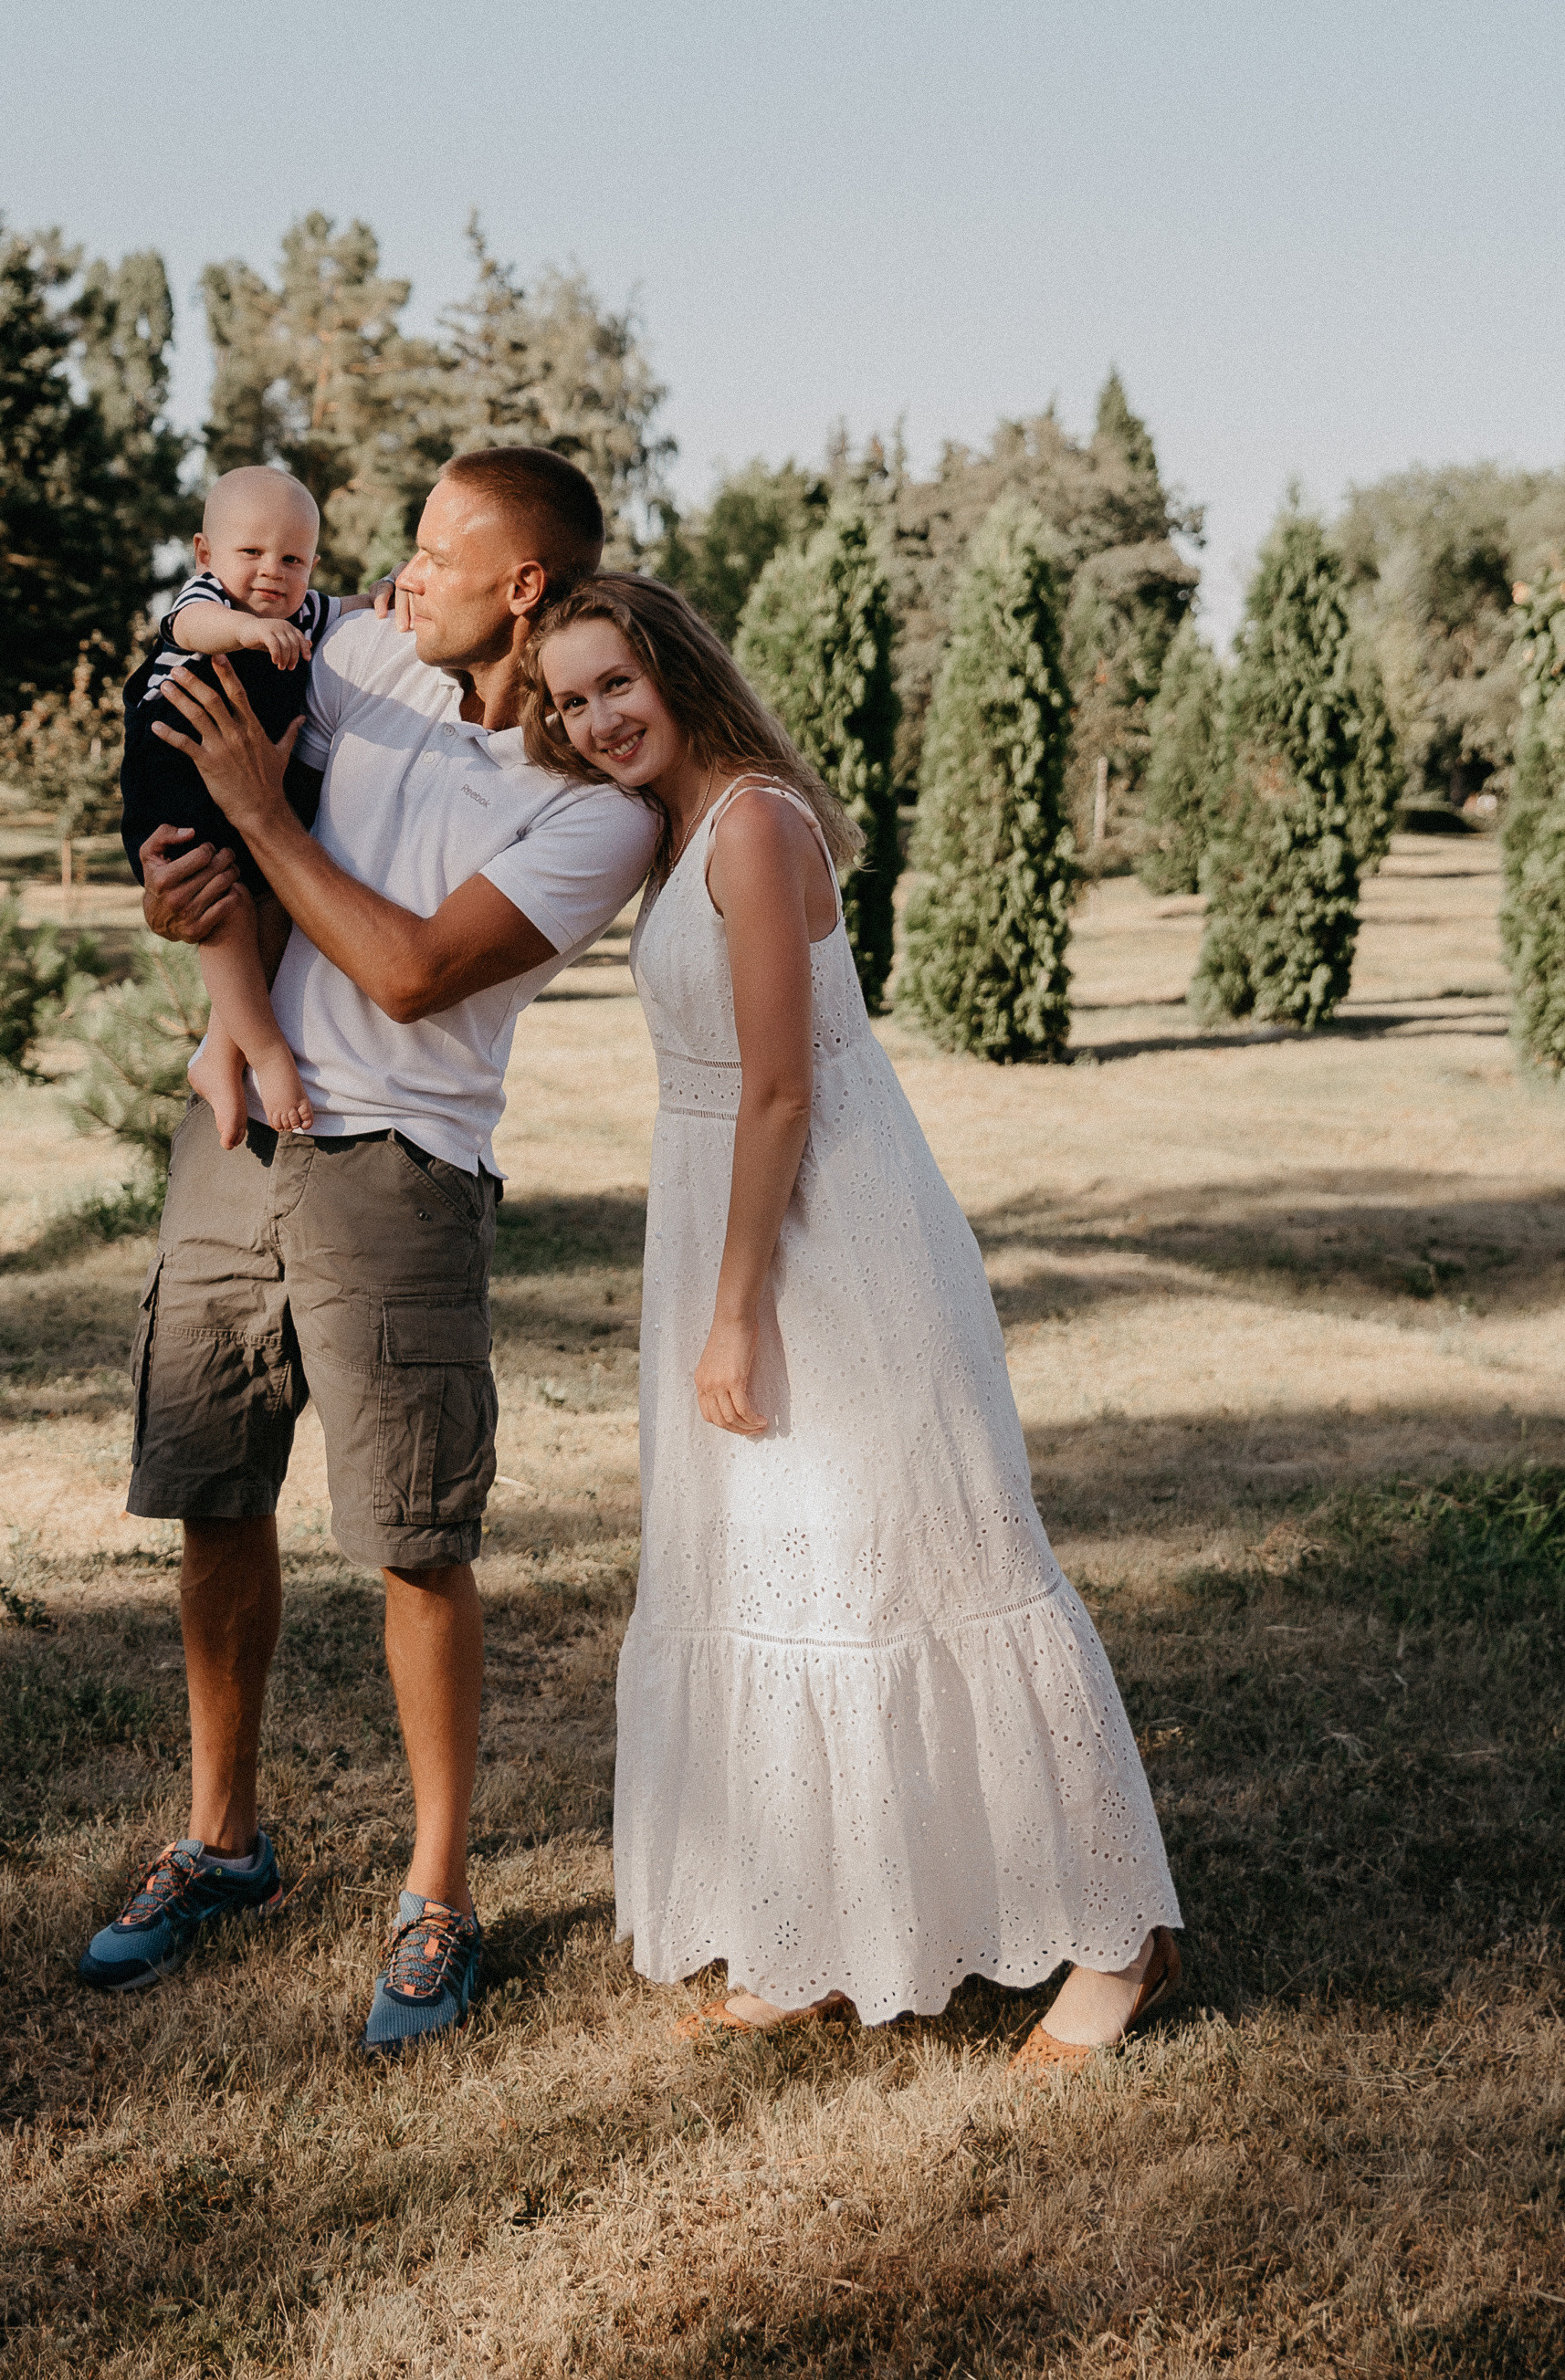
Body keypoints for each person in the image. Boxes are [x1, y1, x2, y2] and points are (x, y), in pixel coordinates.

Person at [526, 576, 1182, 2069]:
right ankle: (822, 1929)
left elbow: (778, 1088)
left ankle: (1114, 1940)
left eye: (610, 684)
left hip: (821, 1242)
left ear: (675, 670)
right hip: (726, 1218)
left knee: (931, 1568)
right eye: (567, 701)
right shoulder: (674, 828)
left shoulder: (752, 821)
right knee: (787, 1580)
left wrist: (735, 1311)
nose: (590, 720)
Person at [79, 451, 659, 2055]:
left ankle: (436, 1892)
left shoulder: (592, 806)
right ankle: (221, 1839)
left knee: (411, 1537)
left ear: (522, 586)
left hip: (401, 1162)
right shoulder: (361, 652)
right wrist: (176, 881)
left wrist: (260, 820)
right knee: (210, 1492)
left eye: (435, 553)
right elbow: (205, 662)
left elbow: (409, 973)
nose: (398, 577)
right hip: (238, 1134)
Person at [120, 464, 381, 1148]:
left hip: (239, 781)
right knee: (220, 905)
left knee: (270, 900)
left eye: (292, 559)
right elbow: (194, 624)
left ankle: (219, 1049)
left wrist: (385, 595)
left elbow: (351, 607)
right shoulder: (211, 604)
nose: (272, 570)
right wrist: (245, 630)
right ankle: (264, 1056)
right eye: (251, 552)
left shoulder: (301, 611)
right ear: (206, 555)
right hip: (173, 768)